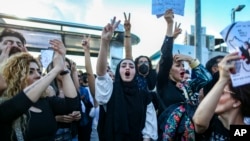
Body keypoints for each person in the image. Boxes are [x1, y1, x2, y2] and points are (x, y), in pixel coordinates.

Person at [0, 39, 80, 141]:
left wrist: (63, 69)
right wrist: (56, 69)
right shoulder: (5, 104)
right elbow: (22, 102)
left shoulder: (45, 101)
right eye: (30, 72)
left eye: (38, 71)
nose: (38, 75)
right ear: (16, 76)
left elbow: (72, 105)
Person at [95, 16, 158, 141]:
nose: (127, 68)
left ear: (136, 72)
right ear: (118, 71)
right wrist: (104, 42)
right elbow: (101, 74)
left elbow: (149, 125)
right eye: (123, 66)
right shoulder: (110, 90)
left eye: (131, 66)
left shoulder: (144, 96)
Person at [156, 9, 212, 140]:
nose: (183, 68)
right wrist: (170, 25)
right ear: (168, 71)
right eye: (177, 65)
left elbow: (207, 79)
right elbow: (165, 58)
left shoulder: (189, 86)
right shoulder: (163, 85)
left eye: (183, 65)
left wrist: (190, 60)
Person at [192, 52, 249, 140]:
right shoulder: (212, 123)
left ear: (236, 102)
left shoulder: (241, 132)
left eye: (221, 93)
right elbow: (199, 123)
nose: (214, 97)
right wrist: (223, 79)